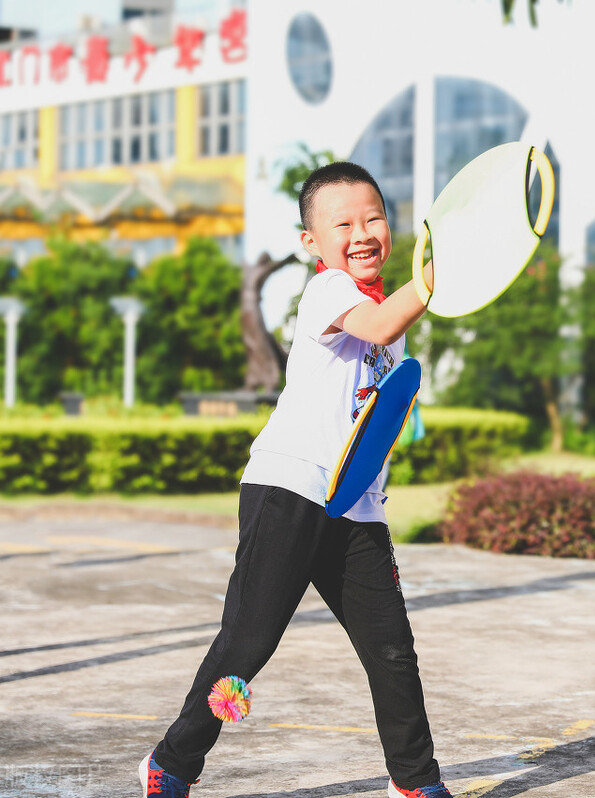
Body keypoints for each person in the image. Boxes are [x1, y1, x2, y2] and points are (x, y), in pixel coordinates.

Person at [138, 161, 452, 798]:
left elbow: (378, 399)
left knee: (392, 651)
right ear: (312, 242)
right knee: (247, 645)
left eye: (374, 218)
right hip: (287, 490)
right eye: (344, 223)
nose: (363, 233)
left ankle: (415, 783)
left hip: (355, 508)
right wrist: (448, 270)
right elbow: (387, 321)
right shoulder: (329, 292)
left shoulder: (383, 326)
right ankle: (171, 764)